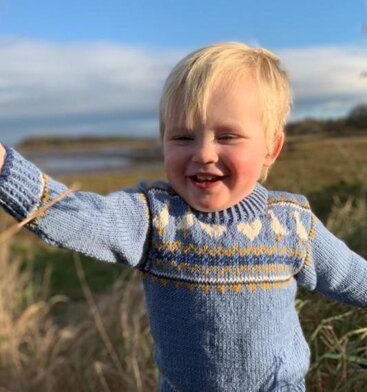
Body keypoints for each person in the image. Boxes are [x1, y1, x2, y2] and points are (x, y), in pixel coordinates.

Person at [0, 42, 366, 392]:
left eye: (227, 136)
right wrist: (5, 170)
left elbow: (352, 276)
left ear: (271, 147)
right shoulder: (155, 218)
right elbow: (79, 217)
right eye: (182, 137)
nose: (204, 153)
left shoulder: (292, 225)